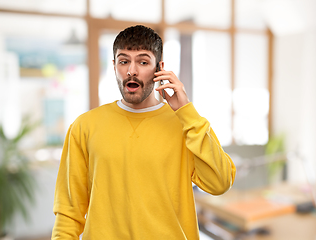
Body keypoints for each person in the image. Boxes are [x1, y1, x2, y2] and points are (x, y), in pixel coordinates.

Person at [52, 25, 236, 240]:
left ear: (160, 68)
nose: (132, 70)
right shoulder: (84, 126)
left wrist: (186, 111)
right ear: (114, 66)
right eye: (124, 61)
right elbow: (69, 211)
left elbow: (220, 182)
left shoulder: (185, 124)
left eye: (143, 61)